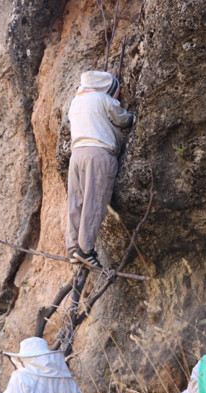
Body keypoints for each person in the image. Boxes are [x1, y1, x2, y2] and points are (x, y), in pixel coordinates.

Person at [66, 70, 134, 269]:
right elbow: (123, 119)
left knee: (76, 201)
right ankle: (85, 250)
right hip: (98, 153)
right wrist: (132, 117)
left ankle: (72, 248)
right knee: (95, 200)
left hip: (76, 154)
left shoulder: (76, 102)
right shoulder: (103, 99)